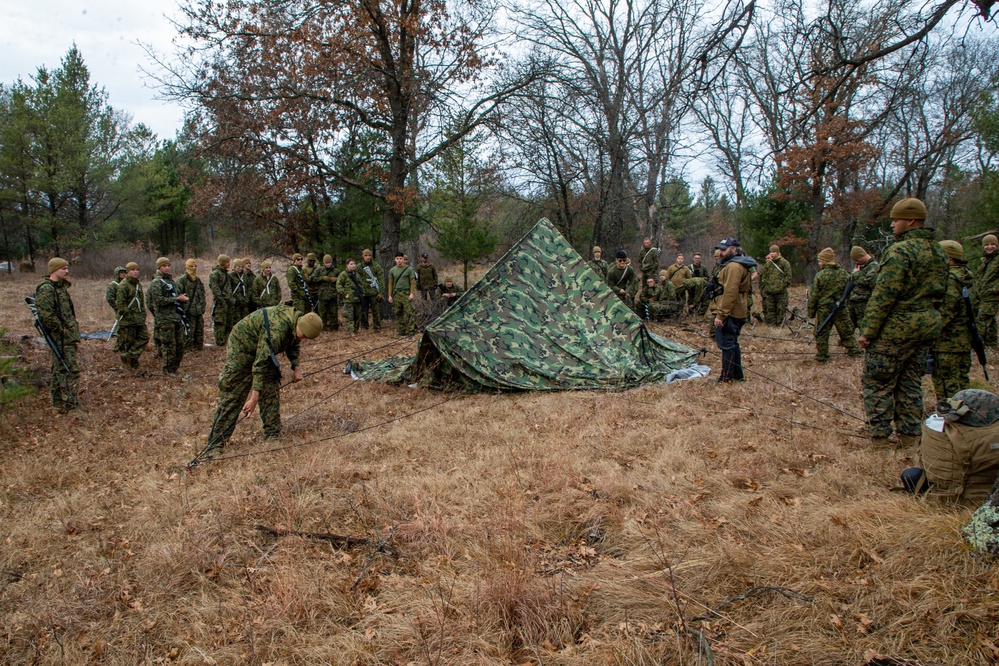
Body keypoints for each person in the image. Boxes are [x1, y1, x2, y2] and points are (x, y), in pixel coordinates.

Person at [858, 198, 948, 450]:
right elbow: (941, 292)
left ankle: (879, 439)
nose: (893, 225)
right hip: (926, 327)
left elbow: (884, 295)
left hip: (895, 330)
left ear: (910, 221)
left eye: (896, 220)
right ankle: (910, 438)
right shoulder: (938, 251)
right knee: (910, 384)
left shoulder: (901, 252)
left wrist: (868, 331)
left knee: (878, 383)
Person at [203, 307, 322, 455]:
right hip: (243, 347)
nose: (303, 340)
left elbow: (293, 341)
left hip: (263, 350)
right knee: (233, 394)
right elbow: (260, 363)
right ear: (300, 325)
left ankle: (272, 435)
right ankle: (215, 444)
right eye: (304, 336)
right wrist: (254, 397)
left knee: (270, 387)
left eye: (307, 338)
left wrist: (295, 365)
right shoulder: (276, 329)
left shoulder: (296, 322)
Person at [35, 258, 80, 413]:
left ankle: (58, 404)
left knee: (58, 369)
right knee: (69, 369)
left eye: (67, 268)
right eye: (63, 268)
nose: (67, 271)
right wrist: (62, 330)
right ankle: (70, 404)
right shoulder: (47, 289)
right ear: (54, 270)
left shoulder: (60, 287)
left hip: (66, 334)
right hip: (60, 336)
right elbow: (46, 315)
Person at [709, 237, 757, 382]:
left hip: (731, 311)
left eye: (724, 249)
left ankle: (726, 377)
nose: (721, 252)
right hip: (736, 309)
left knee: (727, 343)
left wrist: (721, 315)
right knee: (732, 342)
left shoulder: (734, 267)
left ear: (734, 249)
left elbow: (730, 292)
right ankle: (737, 375)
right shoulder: (735, 265)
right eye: (720, 249)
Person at [932, 240, 975, 400]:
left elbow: (946, 313)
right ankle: (966, 419)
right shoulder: (966, 276)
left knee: (947, 386)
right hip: (963, 341)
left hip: (947, 344)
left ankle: (951, 420)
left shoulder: (950, 280)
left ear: (949, 258)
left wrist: (927, 331)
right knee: (962, 383)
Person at [807, 248, 861, 362]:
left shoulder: (820, 276)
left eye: (820, 261)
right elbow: (849, 293)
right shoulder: (844, 274)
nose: (819, 263)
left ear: (825, 261)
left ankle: (822, 356)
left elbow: (813, 297)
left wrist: (811, 312)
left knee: (821, 333)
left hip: (824, 309)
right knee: (846, 332)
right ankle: (854, 352)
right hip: (840, 308)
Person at [147, 257, 190, 375]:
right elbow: (158, 300)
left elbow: (173, 297)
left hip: (175, 317)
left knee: (180, 345)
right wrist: (176, 299)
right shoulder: (157, 283)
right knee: (169, 346)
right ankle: (167, 371)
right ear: (159, 267)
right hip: (165, 319)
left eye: (168, 265)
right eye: (164, 266)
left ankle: (174, 369)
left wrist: (181, 299)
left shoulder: (171, 282)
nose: (167, 268)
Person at [115, 262, 150, 371]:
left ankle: (130, 357)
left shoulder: (138, 285)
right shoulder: (123, 285)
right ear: (127, 272)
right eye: (132, 270)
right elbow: (121, 304)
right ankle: (131, 365)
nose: (135, 272)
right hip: (128, 321)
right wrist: (130, 316)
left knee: (144, 337)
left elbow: (141, 301)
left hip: (139, 319)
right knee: (129, 342)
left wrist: (142, 314)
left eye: (137, 269)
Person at [972, 234, 999, 347]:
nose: (989, 247)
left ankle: (975, 346)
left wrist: (996, 288)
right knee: (990, 321)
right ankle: (991, 345)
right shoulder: (985, 260)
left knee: (981, 320)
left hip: (991, 296)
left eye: (993, 244)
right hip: (982, 296)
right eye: (987, 244)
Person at [176, 259, 206, 352]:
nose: (194, 268)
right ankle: (187, 349)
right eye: (191, 266)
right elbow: (178, 295)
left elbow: (202, 293)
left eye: (195, 266)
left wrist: (202, 306)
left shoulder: (197, 280)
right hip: (188, 311)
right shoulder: (182, 280)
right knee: (189, 331)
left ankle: (198, 347)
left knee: (199, 330)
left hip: (198, 310)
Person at [760, 244, 792, 326]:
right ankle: (772, 325)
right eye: (771, 252)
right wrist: (767, 286)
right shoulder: (768, 264)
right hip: (769, 291)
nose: (772, 254)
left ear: (778, 252)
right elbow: (764, 276)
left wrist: (782, 286)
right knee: (770, 309)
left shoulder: (784, 263)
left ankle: (780, 325)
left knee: (781, 309)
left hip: (781, 292)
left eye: (774, 252)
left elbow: (788, 277)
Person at [848, 246, 879, 329]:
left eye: (857, 260)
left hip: (864, 302)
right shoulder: (862, 266)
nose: (856, 262)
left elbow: (870, 282)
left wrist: (857, 274)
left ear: (861, 256)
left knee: (864, 327)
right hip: (854, 302)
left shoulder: (874, 267)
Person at [388, 252, 418, 335]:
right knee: (398, 312)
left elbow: (412, 282)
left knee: (409, 312)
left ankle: (411, 330)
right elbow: (390, 283)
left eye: (400, 258)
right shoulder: (392, 270)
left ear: (403, 259)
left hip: (406, 293)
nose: (399, 260)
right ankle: (401, 330)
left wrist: (412, 293)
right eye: (397, 259)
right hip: (397, 293)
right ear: (395, 260)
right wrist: (390, 295)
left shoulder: (409, 269)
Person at [209, 255, 236, 346]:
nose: (229, 264)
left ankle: (227, 341)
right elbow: (215, 290)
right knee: (220, 323)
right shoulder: (215, 274)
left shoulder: (227, 274)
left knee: (229, 322)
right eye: (227, 262)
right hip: (220, 303)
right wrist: (222, 301)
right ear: (222, 263)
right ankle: (220, 342)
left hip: (229, 303)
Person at [336, 258, 365, 335]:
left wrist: (362, 294)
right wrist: (345, 294)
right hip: (349, 300)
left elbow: (361, 285)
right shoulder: (343, 275)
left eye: (354, 264)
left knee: (358, 316)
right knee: (350, 317)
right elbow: (338, 286)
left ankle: (355, 330)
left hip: (357, 299)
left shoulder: (357, 275)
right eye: (351, 264)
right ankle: (350, 332)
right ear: (347, 265)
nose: (353, 266)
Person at [313, 254, 340, 332]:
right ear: (324, 263)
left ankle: (334, 327)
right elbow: (313, 279)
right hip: (322, 295)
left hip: (333, 295)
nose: (328, 264)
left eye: (329, 262)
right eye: (326, 262)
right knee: (322, 313)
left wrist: (336, 279)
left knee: (333, 312)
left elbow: (342, 279)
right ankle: (323, 328)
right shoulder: (319, 270)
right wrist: (322, 278)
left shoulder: (336, 271)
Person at [359, 249, 383, 331]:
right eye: (366, 255)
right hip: (363, 293)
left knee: (376, 312)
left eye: (369, 255)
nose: (368, 257)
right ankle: (364, 327)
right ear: (363, 256)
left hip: (374, 293)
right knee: (363, 311)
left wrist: (381, 292)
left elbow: (381, 279)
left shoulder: (376, 266)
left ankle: (377, 327)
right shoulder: (359, 267)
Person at [231, 258, 250, 323]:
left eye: (241, 267)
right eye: (238, 266)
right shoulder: (231, 276)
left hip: (244, 302)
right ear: (235, 267)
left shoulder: (244, 276)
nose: (240, 268)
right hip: (236, 303)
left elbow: (248, 287)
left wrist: (246, 298)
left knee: (245, 320)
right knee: (236, 320)